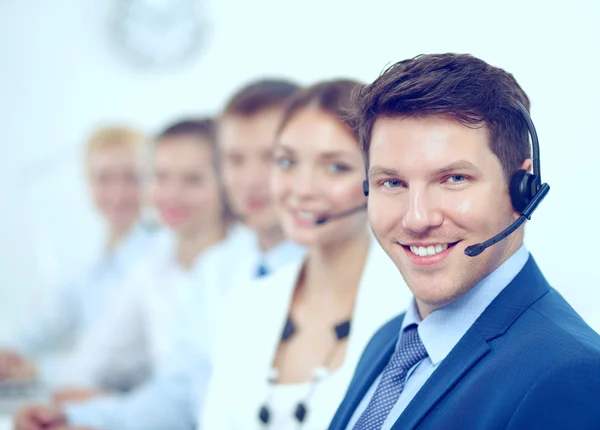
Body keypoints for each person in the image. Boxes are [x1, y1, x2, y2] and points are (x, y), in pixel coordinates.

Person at [12, 79, 306, 430]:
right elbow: (178, 394)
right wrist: (77, 418)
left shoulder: (319, 267)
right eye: (236, 160)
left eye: (275, 159)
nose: (251, 179)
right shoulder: (215, 271)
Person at [330, 53, 600, 430]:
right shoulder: (388, 341)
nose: (417, 218)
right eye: (392, 183)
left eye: (453, 178)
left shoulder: (569, 374)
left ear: (523, 190)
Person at [200, 80, 412, 430]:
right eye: (286, 161)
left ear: (380, 180)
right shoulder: (247, 304)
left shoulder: (411, 310)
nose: (302, 188)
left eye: (335, 167)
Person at [50, 118, 233, 404]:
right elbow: (98, 354)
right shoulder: (155, 262)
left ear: (226, 183)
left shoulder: (247, 265)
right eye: (160, 177)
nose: (172, 194)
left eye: (193, 180)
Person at [0, 125, 155, 390]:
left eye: (131, 178)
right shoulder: (92, 262)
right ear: (88, 183)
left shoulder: (158, 259)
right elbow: (51, 317)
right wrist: (11, 351)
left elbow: (124, 360)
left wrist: (37, 369)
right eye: (104, 179)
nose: (117, 193)